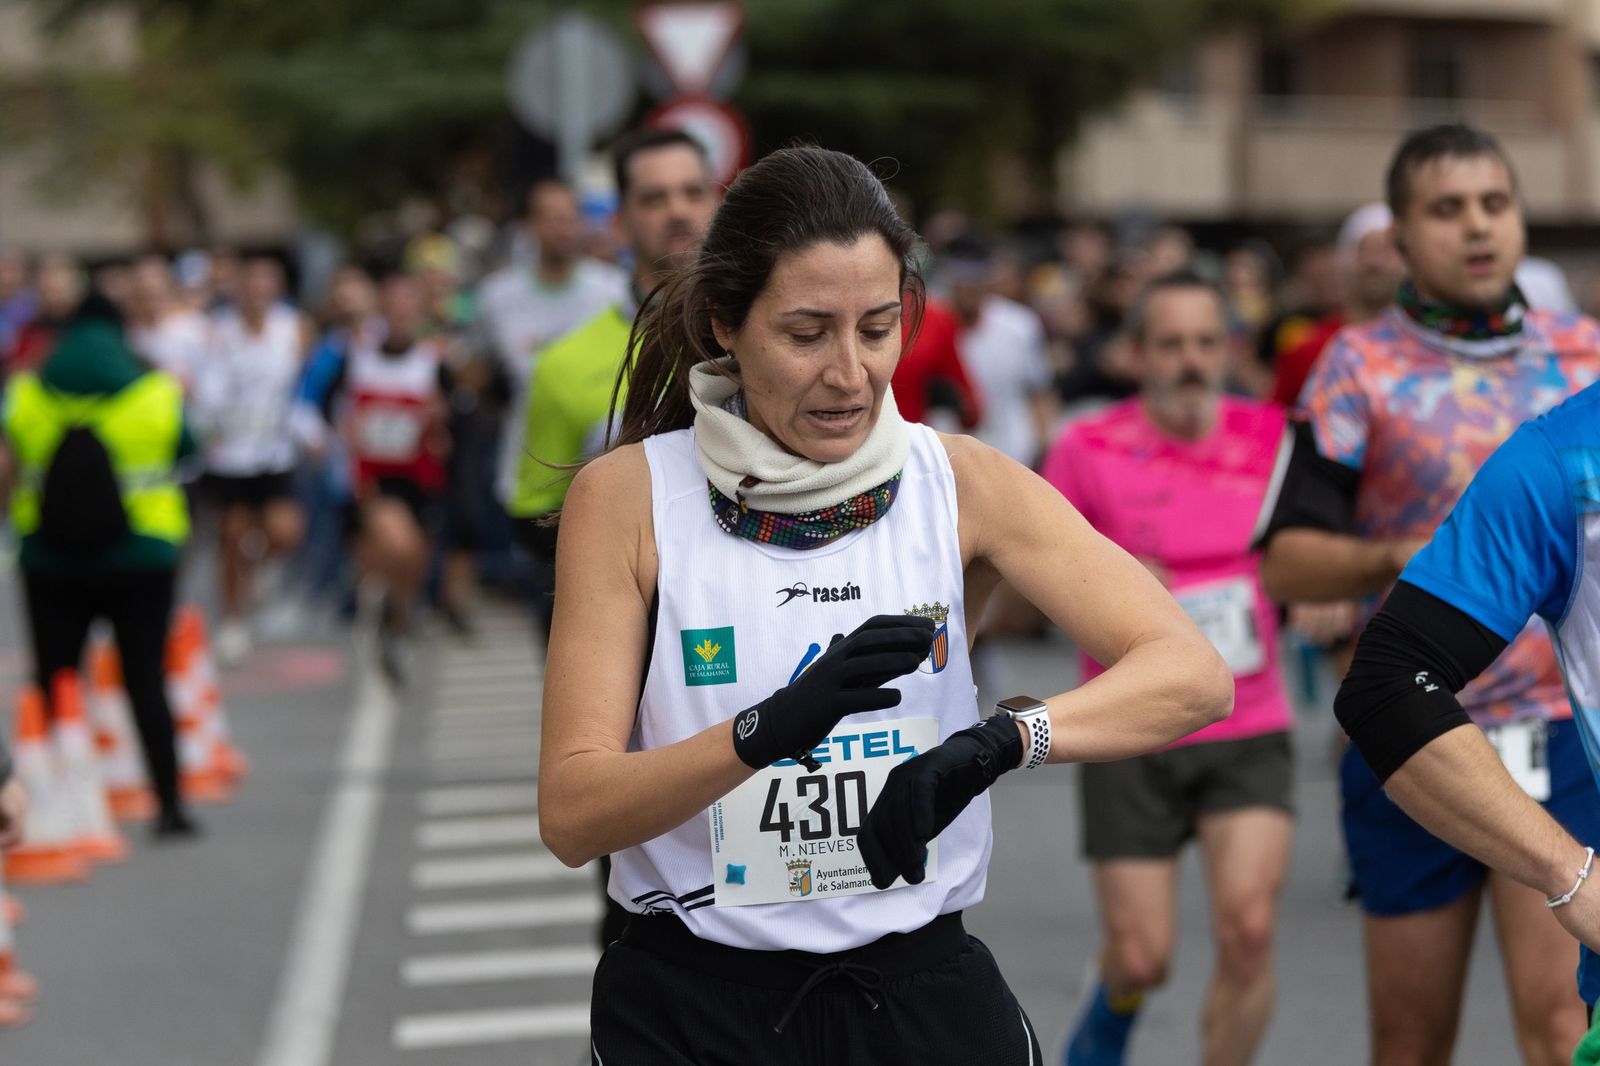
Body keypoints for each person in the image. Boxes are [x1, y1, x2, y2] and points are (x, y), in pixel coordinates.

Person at [539, 145, 1233, 1065]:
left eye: (875, 327)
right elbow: (572, 814)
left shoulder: (962, 483)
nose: (850, 373)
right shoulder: (629, 497)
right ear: (724, 326)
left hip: (916, 998)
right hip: (697, 1008)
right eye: (805, 333)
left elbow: (1192, 675)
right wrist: (764, 733)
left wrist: (994, 744)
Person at [1258, 124, 1600, 1066]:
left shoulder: (1586, 358)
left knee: (1558, 1024)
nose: (1477, 228)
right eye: (1446, 210)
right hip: (1410, 728)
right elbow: (1283, 562)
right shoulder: (1354, 367)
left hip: (1559, 734)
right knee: (1411, 1041)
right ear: (1400, 238)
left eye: (1495, 204)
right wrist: (1400, 557)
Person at [1043, 271, 1294, 1066]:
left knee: (1248, 930)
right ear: (1135, 354)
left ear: (1230, 349)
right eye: (1171, 344)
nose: (1190, 362)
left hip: (1246, 717)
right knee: (1144, 957)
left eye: (1206, 343)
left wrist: (1321, 598)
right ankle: (1111, 999)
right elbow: (1035, 573)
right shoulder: (1085, 449)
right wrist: (1112, 589)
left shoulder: (1275, 439)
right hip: (1130, 723)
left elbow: (1312, 556)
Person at [1330, 381, 1600, 1063]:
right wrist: (1569, 874)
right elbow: (1387, 685)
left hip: (1552, 743)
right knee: (1413, 1038)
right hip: (1501, 748)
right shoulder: (1561, 460)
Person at [0, 294, 198, 841]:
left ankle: (42, 809)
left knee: (54, 680)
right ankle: (170, 804)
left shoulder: (25, 395)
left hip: (50, 559)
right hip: (143, 556)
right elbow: (190, 448)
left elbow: (7, 460)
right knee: (145, 680)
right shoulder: (158, 393)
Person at [507, 129, 718, 620]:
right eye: (654, 198)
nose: (678, 211)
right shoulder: (562, 362)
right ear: (619, 223)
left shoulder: (772, 341)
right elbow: (535, 518)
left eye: (694, 191)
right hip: (620, 630)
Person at [301, 274, 450, 683]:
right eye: (394, 305)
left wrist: (440, 419)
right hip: (372, 476)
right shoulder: (354, 355)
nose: (401, 313)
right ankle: (380, 610)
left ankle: (397, 617)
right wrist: (327, 441)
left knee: (414, 557)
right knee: (397, 544)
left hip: (420, 477)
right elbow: (314, 402)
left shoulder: (433, 358)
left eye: (409, 305)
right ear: (382, 309)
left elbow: (456, 413)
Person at [476, 178, 627, 510]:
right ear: (529, 225)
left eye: (571, 218)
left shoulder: (613, 291)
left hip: (607, 468)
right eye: (552, 218)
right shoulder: (497, 297)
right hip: (529, 474)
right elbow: (479, 373)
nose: (564, 228)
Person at [192, 256, 311, 664]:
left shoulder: (293, 328)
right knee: (232, 535)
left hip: (275, 448)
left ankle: (261, 571)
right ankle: (232, 619)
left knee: (285, 530)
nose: (258, 295)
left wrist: (308, 430)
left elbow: (304, 386)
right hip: (230, 452)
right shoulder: (220, 332)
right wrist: (208, 421)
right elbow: (208, 386)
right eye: (252, 287)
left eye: (267, 287)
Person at [1269, 203, 1405, 409]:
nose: (1374, 262)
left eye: (1386, 250)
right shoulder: (1307, 350)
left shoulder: (1429, 349)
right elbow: (1276, 423)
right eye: (1364, 250)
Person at [943, 233, 1055, 468]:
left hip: (1015, 459)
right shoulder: (927, 327)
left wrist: (1042, 449)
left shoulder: (1020, 325)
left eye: (976, 279)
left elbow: (1040, 393)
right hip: (949, 462)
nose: (969, 288)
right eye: (962, 279)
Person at [125, 254, 209, 393]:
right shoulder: (130, 332)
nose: (149, 301)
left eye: (154, 294)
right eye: (143, 295)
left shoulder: (194, 326)